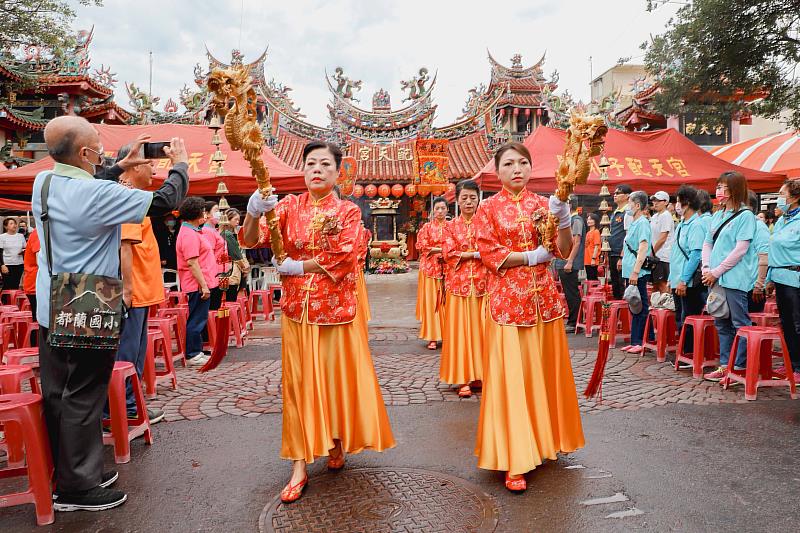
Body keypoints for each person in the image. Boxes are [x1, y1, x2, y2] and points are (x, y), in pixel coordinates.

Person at [31, 117, 187, 511]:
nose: (102, 151)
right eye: (97, 145)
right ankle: (77, 488)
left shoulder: (44, 183)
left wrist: (118, 164)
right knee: (84, 393)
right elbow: (165, 201)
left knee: (58, 392)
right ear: (84, 153)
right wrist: (181, 165)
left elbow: (91, 176)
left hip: (52, 297)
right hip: (87, 299)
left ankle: (70, 472)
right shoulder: (97, 195)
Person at [242, 140, 395, 504]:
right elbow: (252, 240)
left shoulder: (347, 212)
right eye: (311, 163)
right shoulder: (287, 207)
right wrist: (253, 210)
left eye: (325, 164)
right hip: (297, 311)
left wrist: (300, 266)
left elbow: (346, 256)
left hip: (336, 313)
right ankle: (298, 465)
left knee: (333, 382)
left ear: (337, 172)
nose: (316, 169)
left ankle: (336, 441)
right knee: (298, 387)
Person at [474, 142, 584, 493]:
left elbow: (563, 249)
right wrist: (530, 256)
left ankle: (543, 441)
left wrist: (563, 216)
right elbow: (490, 253)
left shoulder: (543, 204)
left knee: (543, 375)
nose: (517, 168)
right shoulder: (487, 208)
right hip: (508, 304)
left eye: (523, 162)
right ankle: (515, 456)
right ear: (498, 170)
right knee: (513, 380)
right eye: (509, 163)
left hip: (545, 304)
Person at [113, 141, 189, 424]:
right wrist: (128, 290)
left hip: (140, 292)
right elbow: (125, 246)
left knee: (133, 352)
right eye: (148, 163)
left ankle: (130, 403)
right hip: (133, 294)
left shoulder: (129, 194)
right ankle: (126, 406)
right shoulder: (126, 196)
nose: (154, 169)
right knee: (127, 352)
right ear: (132, 165)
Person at [702, 171, 757, 382]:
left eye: (723, 187)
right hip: (714, 278)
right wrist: (707, 267)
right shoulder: (718, 215)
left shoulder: (745, 216)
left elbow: (740, 249)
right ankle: (725, 365)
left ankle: (739, 366)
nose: (719, 191)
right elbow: (707, 243)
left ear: (734, 189)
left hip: (734, 278)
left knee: (739, 323)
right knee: (721, 323)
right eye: (718, 186)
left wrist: (716, 271)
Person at [440, 179, 488, 398]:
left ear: (479, 199)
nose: (469, 202)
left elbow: (493, 249)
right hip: (459, 286)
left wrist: (476, 254)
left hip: (483, 286)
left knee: (482, 332)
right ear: (457, 201)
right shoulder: (450, 226)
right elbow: (449, 254)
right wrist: (475, 254)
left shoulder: (486, 224)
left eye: (472, 197)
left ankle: (481, 374)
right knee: (461, 333)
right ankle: (462, 378)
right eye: (464, 198)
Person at [766, 179, 800, 382]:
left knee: (797, 323)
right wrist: (769, 278)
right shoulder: (782, 220)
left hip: (795, 278)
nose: (779, 198)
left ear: (794, 197)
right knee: (786, 323)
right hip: (779, 277)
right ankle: (792, 364)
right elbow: (773, 251)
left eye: (781, 193)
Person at [176, 197, 217, 365]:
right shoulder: (189, 234)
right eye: (203, 211)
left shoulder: (191, 231)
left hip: (200, 282)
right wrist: (204, 285)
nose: (205, 214)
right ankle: (193, 353)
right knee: (196, 319)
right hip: (197, 284)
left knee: (198, 318)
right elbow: (192, 262)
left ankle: (197, 350)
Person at [670, 186, 705, 352]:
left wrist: (684, 280)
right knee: (679, 316)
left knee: (688, 317)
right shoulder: (682, 224)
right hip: (677, 279)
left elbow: (695, 255)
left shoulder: (696, 225)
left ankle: (690, 352)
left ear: (688, 202)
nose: (676, 205)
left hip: (688, 282)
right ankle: (683, 351)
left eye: (678, 201)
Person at [620, 190, 653, 354]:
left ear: (638, 205)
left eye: (630, 202)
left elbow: (643, 247)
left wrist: (635, 270)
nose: (628, 206)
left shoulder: (642, 223)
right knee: (634, 304)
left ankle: (641, 341)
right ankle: (640, 339)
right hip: (629, 270)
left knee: (640, 305)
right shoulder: (634, 222)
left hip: (637, 272)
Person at [415, 197, 448, 350]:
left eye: (443, 208)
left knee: (447, 304)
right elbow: (421, 246)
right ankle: (433, 337)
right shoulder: (426, 228)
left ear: (447, 210)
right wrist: (441, 249)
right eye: (437, 209)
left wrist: (437, 249)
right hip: (430, 270)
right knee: (432, 304)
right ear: (432, 211)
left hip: (449, 271)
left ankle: (448, 335)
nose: (440, 211)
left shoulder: (452, 227)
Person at [555, 195, 585, 333]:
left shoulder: (576, 220)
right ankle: (574, 320)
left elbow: (577, 242)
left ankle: (575, 322)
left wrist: (570, 261)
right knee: (568, 292)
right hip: (562, 261)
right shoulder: (567, 220)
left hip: (568, 262)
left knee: (572, 293)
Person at [219, 208, 249, 303]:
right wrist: (244, 267)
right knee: (231, 298)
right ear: (228, 219)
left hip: (228, 268)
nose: (237, 222)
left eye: (238, 220)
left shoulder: (232, 232)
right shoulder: (227, 234)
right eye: (235, 219)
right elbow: (236, 254)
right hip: (232, 269)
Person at [608, 184, 633, 300]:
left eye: (618, 193)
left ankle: (625, 314)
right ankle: (617, 314)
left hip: (621, 253)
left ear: (627, 196)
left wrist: (622, 256)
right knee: (615, 285)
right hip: (612, 252)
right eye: (615, 193)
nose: (615, 195)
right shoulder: (615, 212)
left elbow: (628, 235)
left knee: (622, 284)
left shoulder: (628, 213)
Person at [747, 191, 770, 313]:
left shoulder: (759, 227)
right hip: (739, 285)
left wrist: (759, 285)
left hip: (753, 287)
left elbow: (764, 258)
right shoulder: (741, 225)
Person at [202, 200, 226, 312]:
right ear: (206, 214)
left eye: (219, 210)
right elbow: (209, 254)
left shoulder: (214, 230)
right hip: (213, 272)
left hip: (219, 272)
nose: (219, 213)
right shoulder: (207, 231)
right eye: (216, 210)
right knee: (214, 307)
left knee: (218, 305)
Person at [649, 191, 674, 295]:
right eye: (654, 200)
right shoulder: (654, 217)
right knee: (655, 284)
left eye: (658, 201)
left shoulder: (666, 216)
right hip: (655, 256)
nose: (655, 203)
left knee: (663, 284)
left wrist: (652, 252)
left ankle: (667, 305)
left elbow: (663, 238)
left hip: (663, 256)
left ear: (666, 202)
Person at [0, 217, 26, 290]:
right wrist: (2, 265)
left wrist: (23, 251)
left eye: (15, 223)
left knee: (15, 285)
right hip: (7, 265)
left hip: (19, 265)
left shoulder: (21, 236)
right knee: (7, 285)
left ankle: (13, 301)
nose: (14, 225)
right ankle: (4, 301)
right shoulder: (2, 237)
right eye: (11, 223)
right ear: (6, 226)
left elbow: (25, 247)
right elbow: (0, 252)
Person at [22, 227, 39, 318]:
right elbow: (40, 261)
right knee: (39, 319)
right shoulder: (39, 233)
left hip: (36, 281)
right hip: (36, 283)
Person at [583, 213, 601, 281]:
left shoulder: (596, 232)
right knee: (589, 278)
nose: (588, 221)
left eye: (590, 219)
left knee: (593, 279)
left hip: (592, 259)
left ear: (595, 221)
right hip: (587, 259)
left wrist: (593, 258)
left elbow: (597, 246)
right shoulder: (588, 233)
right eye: (588, 219)